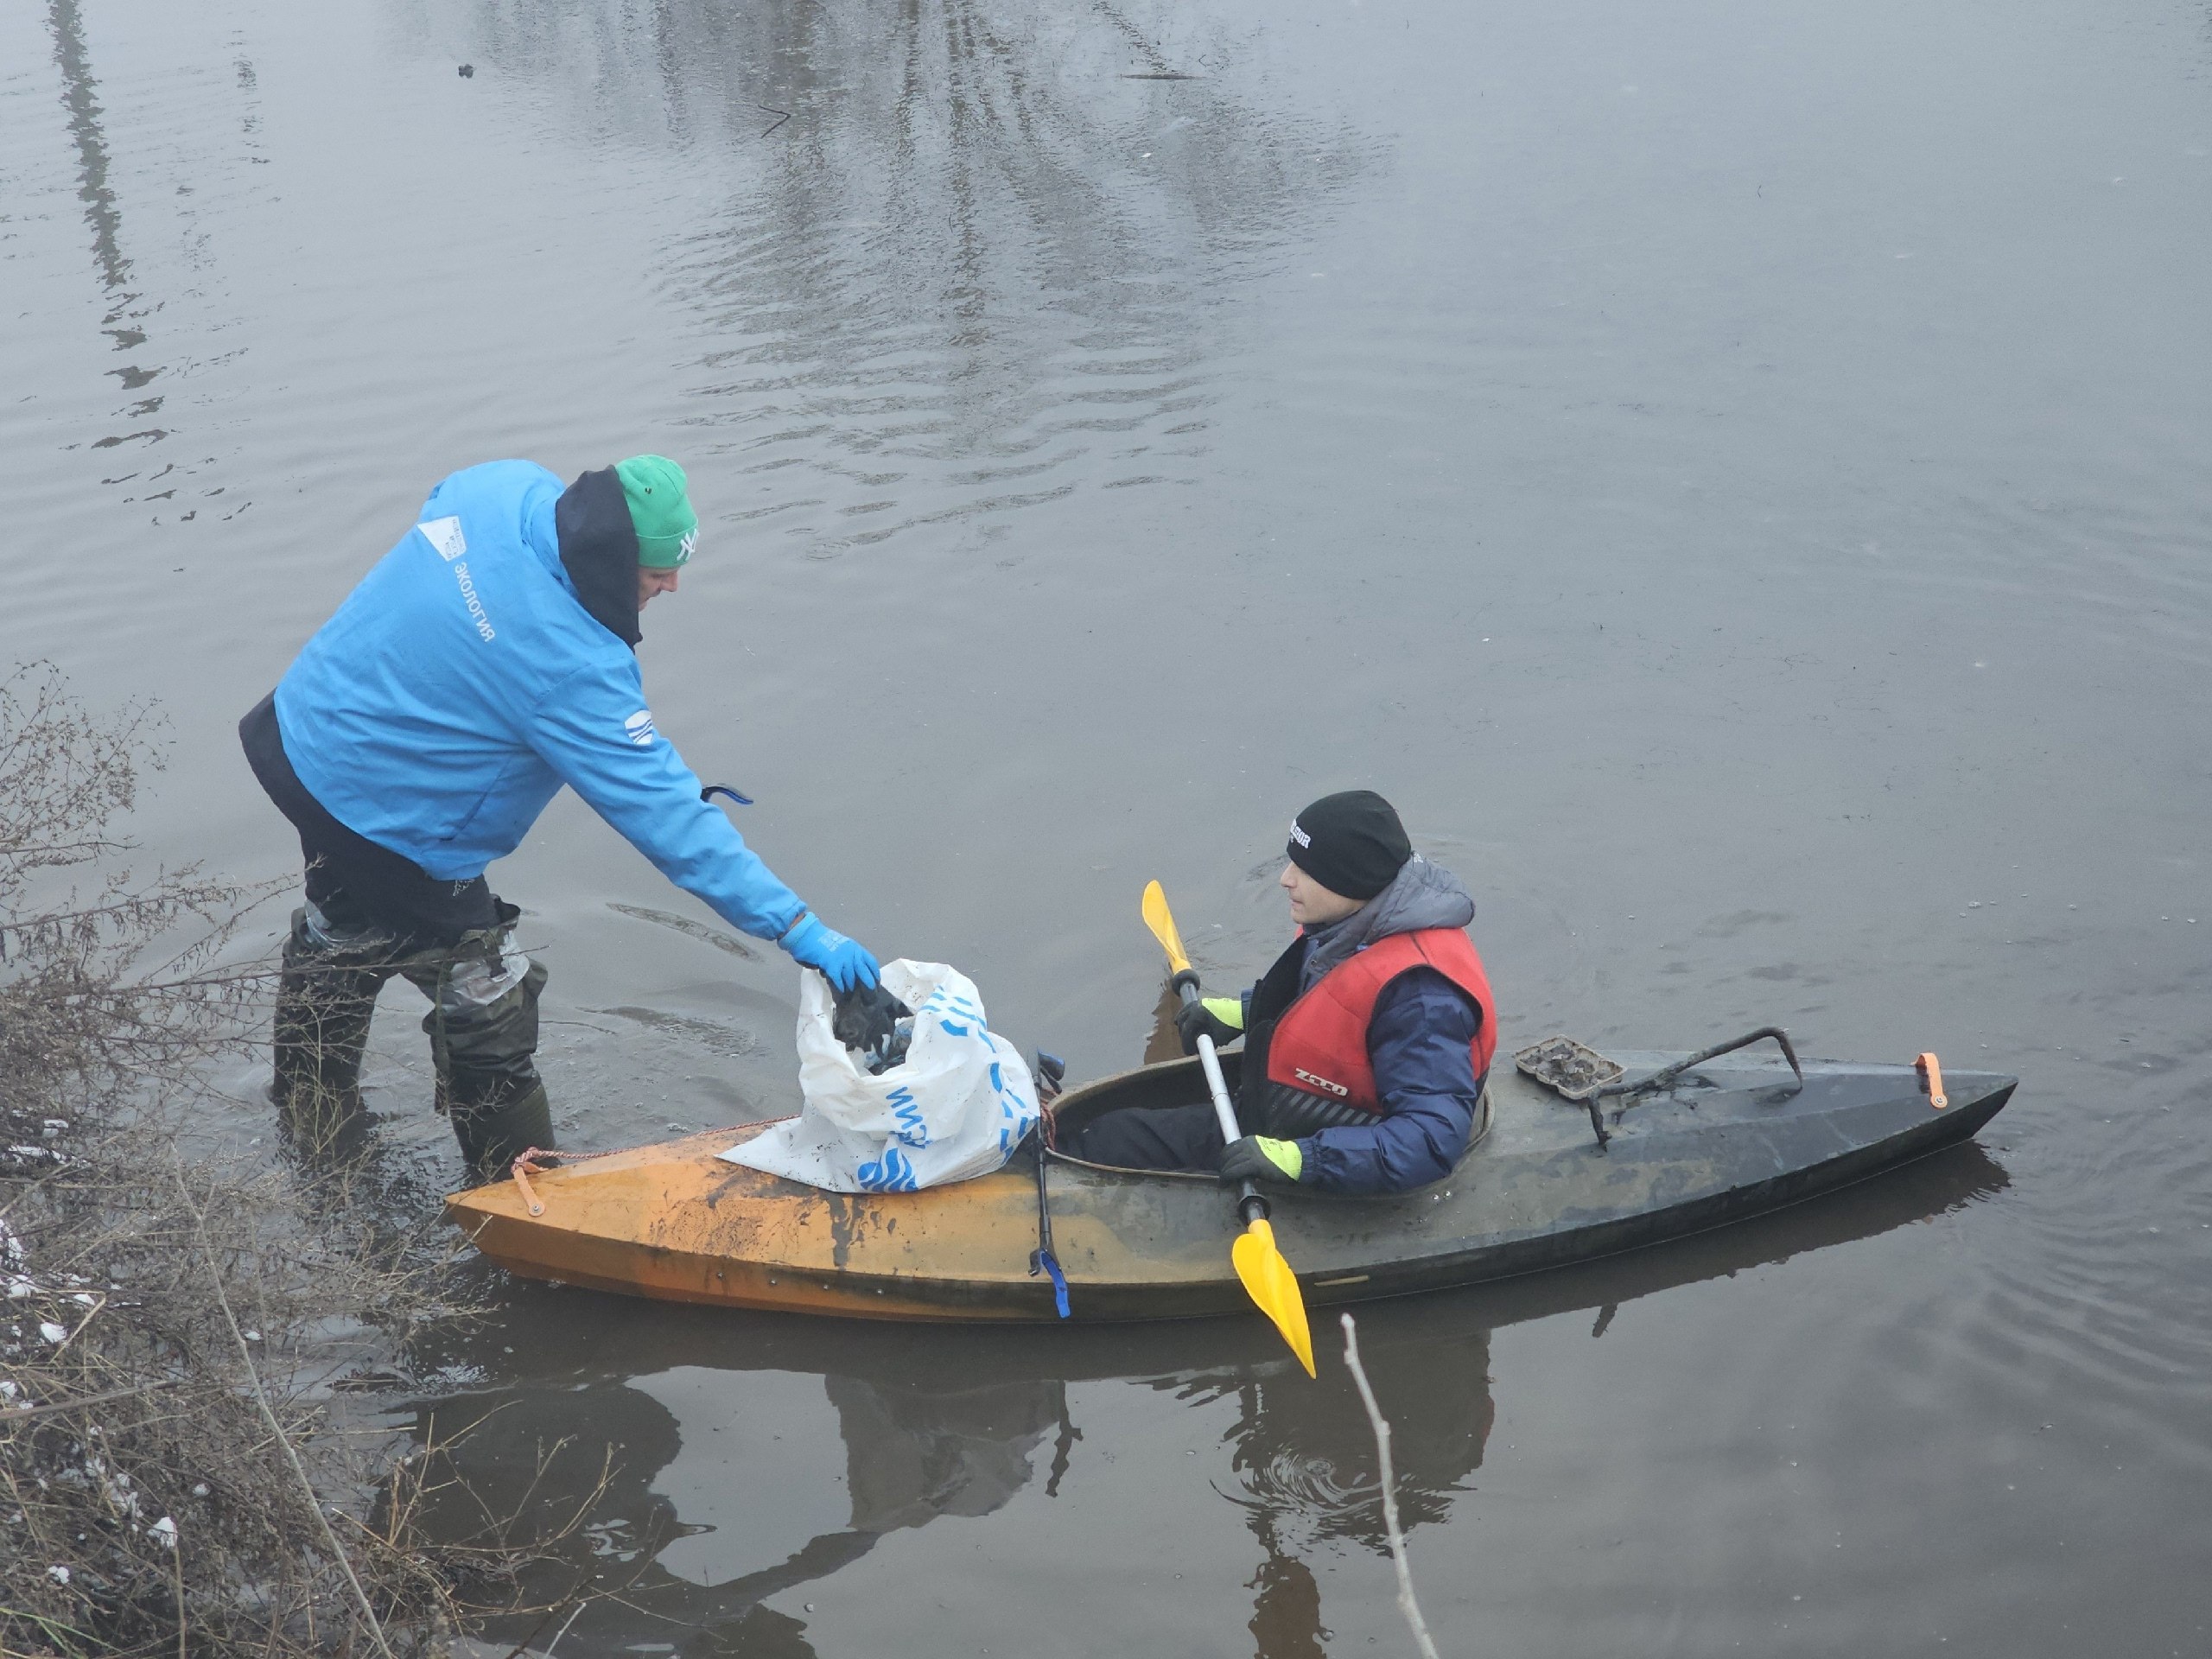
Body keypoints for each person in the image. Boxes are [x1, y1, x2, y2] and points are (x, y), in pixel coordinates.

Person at [240, 455, 880, 1174]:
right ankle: (516, 1193)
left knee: (342, 925)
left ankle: (309, 1118)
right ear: (610, 562)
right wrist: (800, 928)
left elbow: (440, 521)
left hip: (299, 736)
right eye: (658, 571)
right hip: (386, 823)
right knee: (488, 993)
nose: (673, 584)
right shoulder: (570, 669)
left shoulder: (502, 488)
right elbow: (669, 819)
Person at [1075, 791, 1494, 1195]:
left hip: (1330, 1147)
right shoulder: (1351, 923)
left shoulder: (1420, 998)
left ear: (1353, 880)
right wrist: (1242, 1012)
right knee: (1109, 1127)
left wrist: (1300, 1160)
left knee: (1110, 1143)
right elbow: (1331, 1009)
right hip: (1301, 1113)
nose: (1285, 880)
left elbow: (1431, 1139)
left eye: (1306, 871)